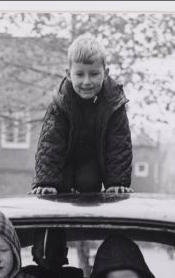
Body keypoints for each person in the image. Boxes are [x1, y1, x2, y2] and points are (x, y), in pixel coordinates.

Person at [31, 33, 133, 195]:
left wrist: (117, 183)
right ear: (68, 74)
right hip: (63, 172)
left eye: (94, 74)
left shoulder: (114, 104)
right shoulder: (59, 104)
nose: (87, 82)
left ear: (105, 73)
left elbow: (119, 145)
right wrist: (46, 182)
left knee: (88, 181)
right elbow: (50, 145)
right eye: (80, 74)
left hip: (94, 171)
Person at [20, 228, 86, 278]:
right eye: (45, 249)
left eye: (57, 249)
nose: (51, 254)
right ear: (33, 251)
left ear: (65, 252)